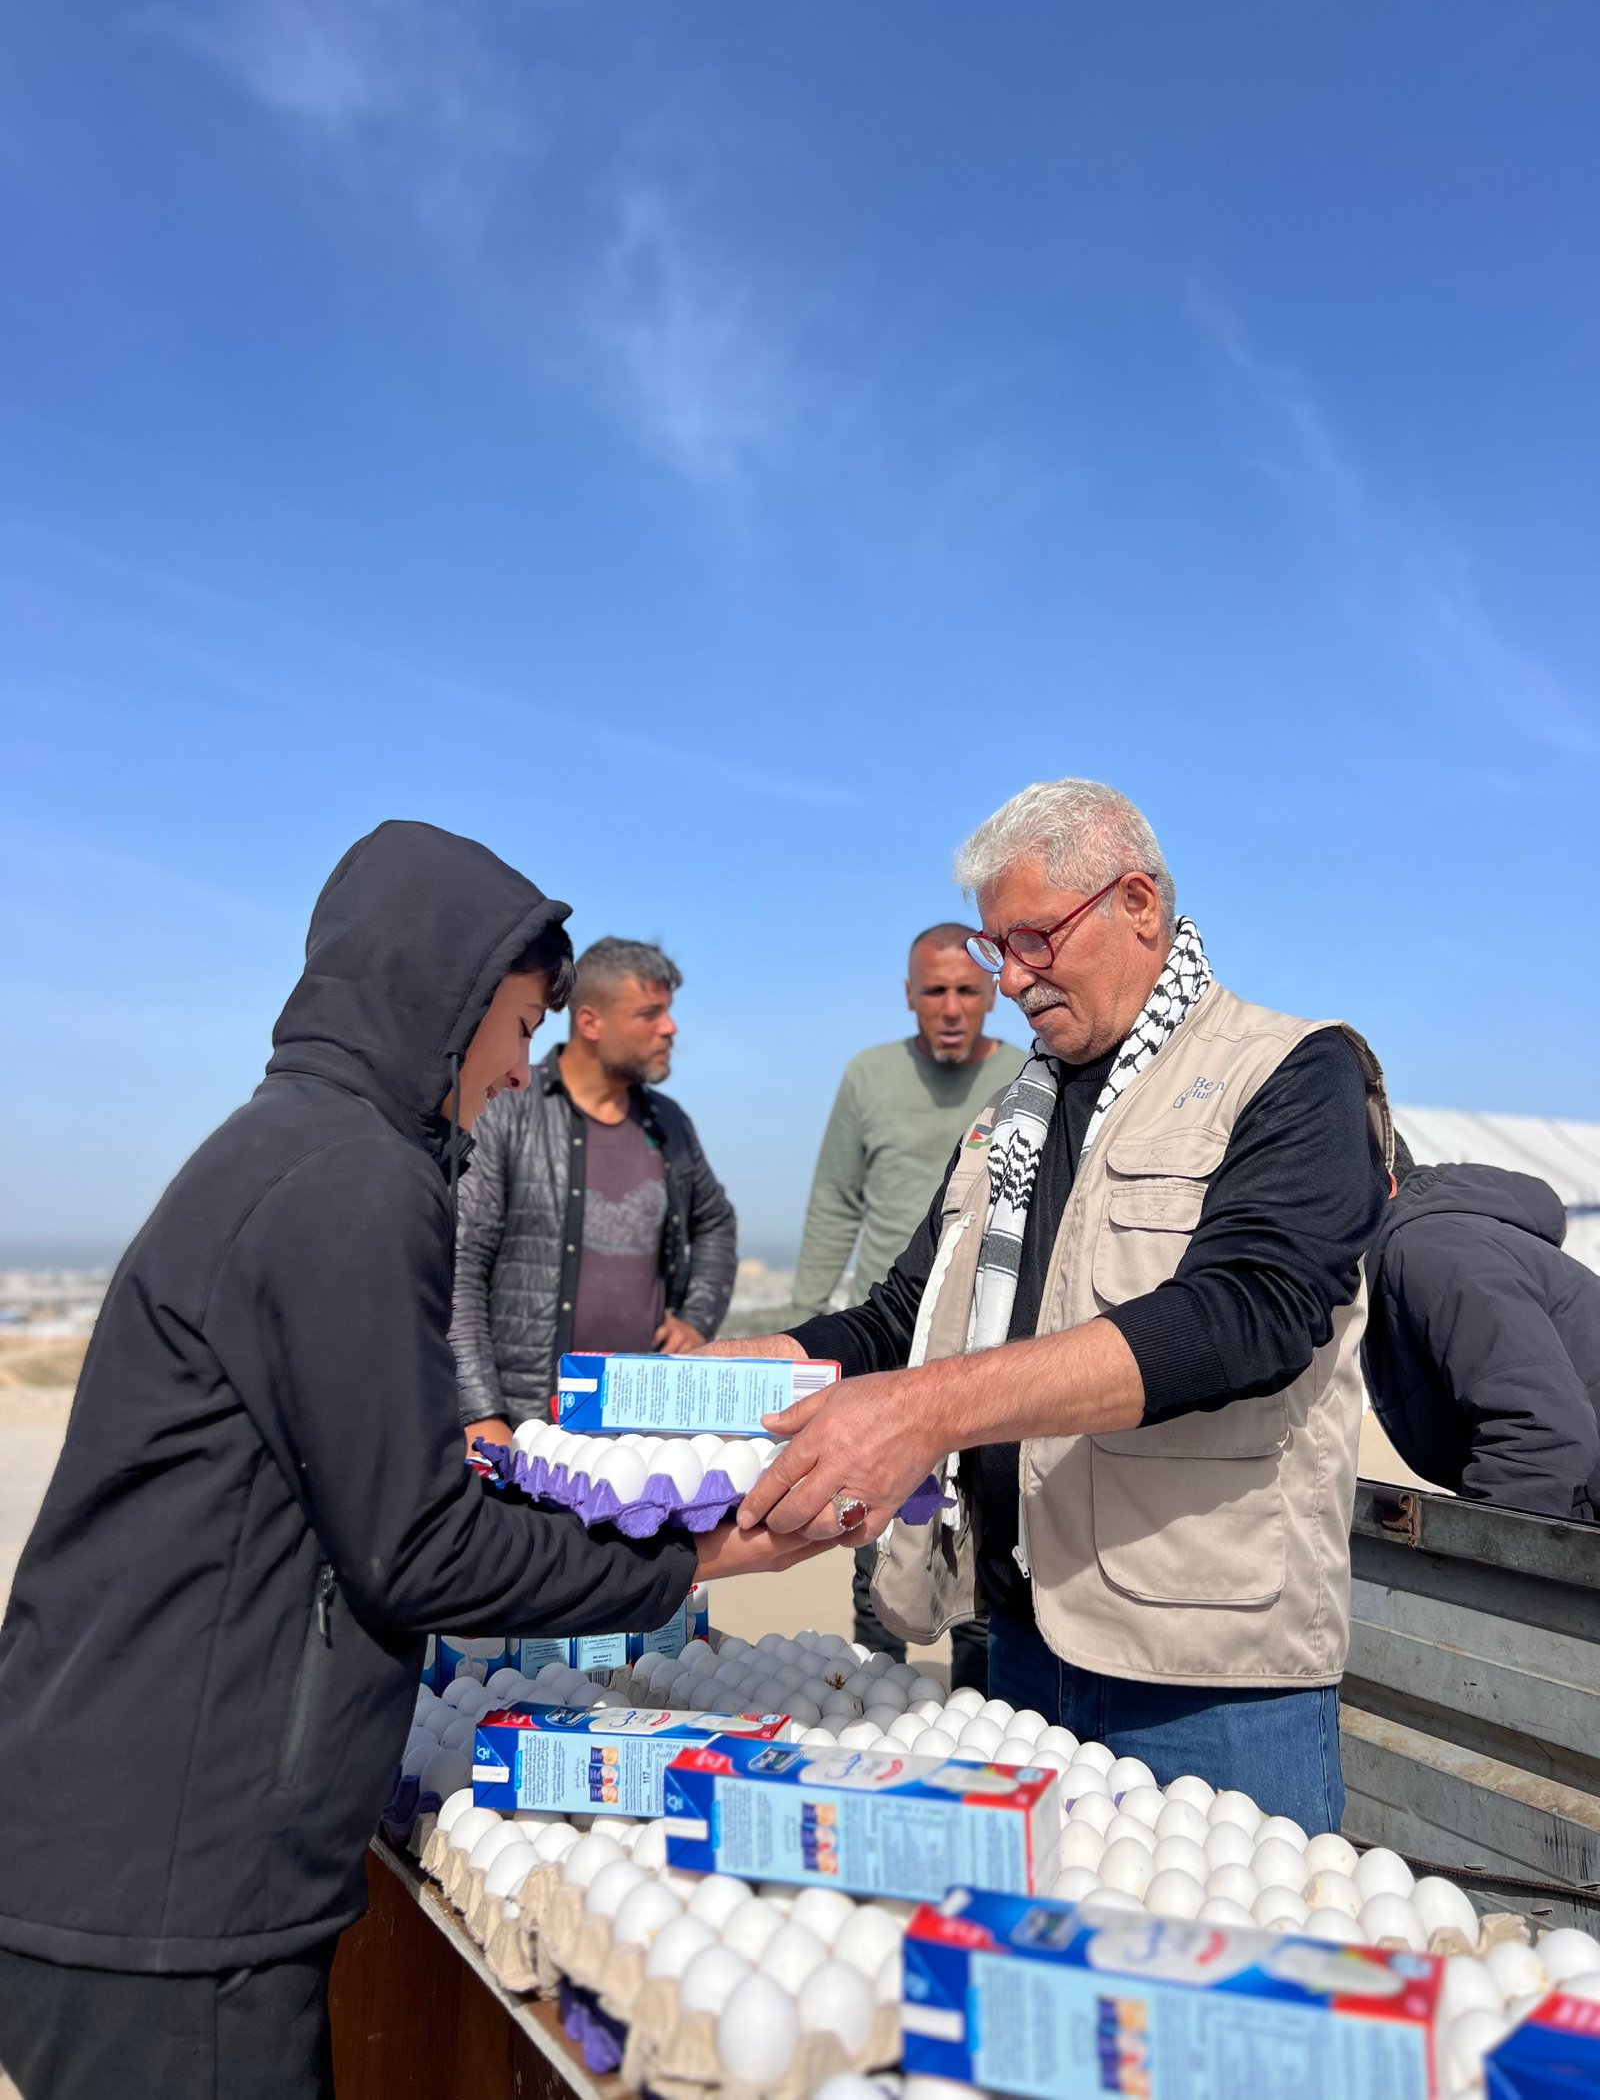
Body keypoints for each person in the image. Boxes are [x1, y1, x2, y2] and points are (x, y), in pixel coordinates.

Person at [0, 824, 821, 2100]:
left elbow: (346, 1495)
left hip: (125, 1851)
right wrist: (700, 1552)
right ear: (445, 1001)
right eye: (516, 1025)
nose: (515, 1071)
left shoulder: (291, 1149)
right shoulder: (351, 1181)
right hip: (171, 1884)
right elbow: (417, 1549)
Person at [718, 778, 1392, 1834]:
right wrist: (750, 1366)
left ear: (1137, 904)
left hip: (1197, 1669)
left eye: (1033, 938)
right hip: (1012, 1635)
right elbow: (905, 1315)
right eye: (998, 950)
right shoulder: (1010, 1117)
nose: (1012, 980)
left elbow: (1245, 1315)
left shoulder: (1290, 1072)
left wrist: (931, 1409)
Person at [791, 924, 1024, 1681]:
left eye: (966, 989)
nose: (952, 1007)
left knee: (983, 1568)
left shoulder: (1029, 1076)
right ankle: (861, 1711)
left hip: (991, 1354)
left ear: (993, 991)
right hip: (889, 1347)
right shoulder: (869, 1075)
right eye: (935, 991)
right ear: (909, 995)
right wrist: (805, 1345)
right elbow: (834, 1204)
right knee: (875, 1552)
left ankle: (983, 1732)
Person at [451, 936, 736, 1451]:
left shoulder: (670, 1124)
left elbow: (715, 1222)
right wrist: (481, 1413)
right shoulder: (508, 1106)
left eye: (667, 1013)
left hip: (641, 1433)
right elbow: (461, 1266)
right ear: (589, 1022)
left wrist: (696, 1320)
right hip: (527, 1430)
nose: (669, 1029)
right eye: (649, 1014)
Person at [1363, 1137, 1600, 1520]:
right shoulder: (1421, 1246)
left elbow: (1542, 1429)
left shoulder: (1428, 1248)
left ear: (1382, 1184)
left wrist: (1480, 1560)